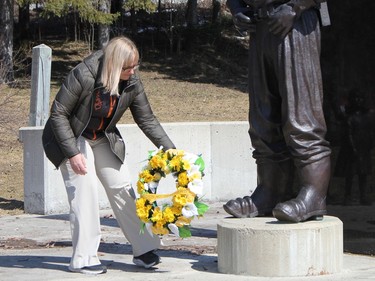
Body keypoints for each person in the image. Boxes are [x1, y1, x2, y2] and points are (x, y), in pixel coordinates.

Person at [42, 36, 175, 275]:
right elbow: (58, 114)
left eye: (136, 65)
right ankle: (83, 258)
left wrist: (171, 150)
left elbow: (147, 119)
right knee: (85, 188)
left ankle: (144, 248)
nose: (133, 71)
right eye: (127, 67)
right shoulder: (83, 74)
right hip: (71, 137)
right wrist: (72, 153)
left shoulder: (132, 81)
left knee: (122, 186)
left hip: (102, 136)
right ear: (114, 65)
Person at [223, 0, 332, 222]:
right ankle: (269, 191)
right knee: (262, 119)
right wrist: (236, 9)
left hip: (295, 23)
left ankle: (314, 195)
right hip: (260, 26)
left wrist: (294, 8)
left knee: (301, 116)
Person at [334, 89, 373, 206]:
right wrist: (353, 148)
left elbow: (370, 132)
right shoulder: (349, 116)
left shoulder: (366, 116)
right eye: (356, 98)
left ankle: (363, 196)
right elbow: (349, 133)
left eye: (360, 98)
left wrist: (369, 144)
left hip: (363, 148)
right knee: (349, 174)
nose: (358, 101)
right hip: (351, 150)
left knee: (363, 173)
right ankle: (347, 196)